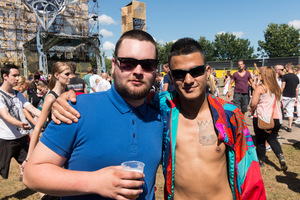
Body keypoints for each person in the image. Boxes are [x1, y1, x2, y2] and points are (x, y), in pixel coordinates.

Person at [51, 37, 266, 199]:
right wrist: (69, 99)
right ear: (171, 76)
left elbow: (250, 173)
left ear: (207, 71)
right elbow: (126, 94)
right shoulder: (162, 107)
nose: (189, 80)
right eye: (180, 74)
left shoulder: (229, 115)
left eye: (196, 71)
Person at [23, 30, 163, 200]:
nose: (138, 71)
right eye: (128, 62)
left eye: (147, 64)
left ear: (155, 69)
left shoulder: (159, 117)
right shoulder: (76, 109)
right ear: (113, 65)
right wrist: (95, 182)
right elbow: (32, 174)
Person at [22, 62, 72, 183]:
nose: (71, 76)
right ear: (57, 75)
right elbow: (38, 126)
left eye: (71, 73)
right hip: (56, 142)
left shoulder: (68, 92)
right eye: (67, 74)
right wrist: (29, 156)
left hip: (69, 139)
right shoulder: (50, 97)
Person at [0, 64, 40, 179]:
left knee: (31, 165)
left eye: (18, 75)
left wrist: (46, 115)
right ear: (5, 76)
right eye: (14, 75)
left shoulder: (18, 94)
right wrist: (21, 124)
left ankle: (45, 195)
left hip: (21, 138)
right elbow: (5, 115)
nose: (17, 78)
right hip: (5, 140)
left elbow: (31, 109)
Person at [250, 66, 287, 171]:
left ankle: (261, 161)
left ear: (264, 76)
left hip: (262, 117)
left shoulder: (261, 88)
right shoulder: (277, 88)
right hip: (277, 118)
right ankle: (280, 156)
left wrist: (252, 110)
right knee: (272, 138)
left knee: (261, 140)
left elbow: (253, 103)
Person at [281, 63, 299, 132]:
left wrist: (279, 94)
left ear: (288, 68)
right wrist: (296, 98)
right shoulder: (296, 77)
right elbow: (297, 89)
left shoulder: (285, 76)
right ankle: (289, 126)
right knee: (290, 111)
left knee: (280, 109)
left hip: (285, 96)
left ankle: (279, 123)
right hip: (293, 96)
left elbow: (283, 87)